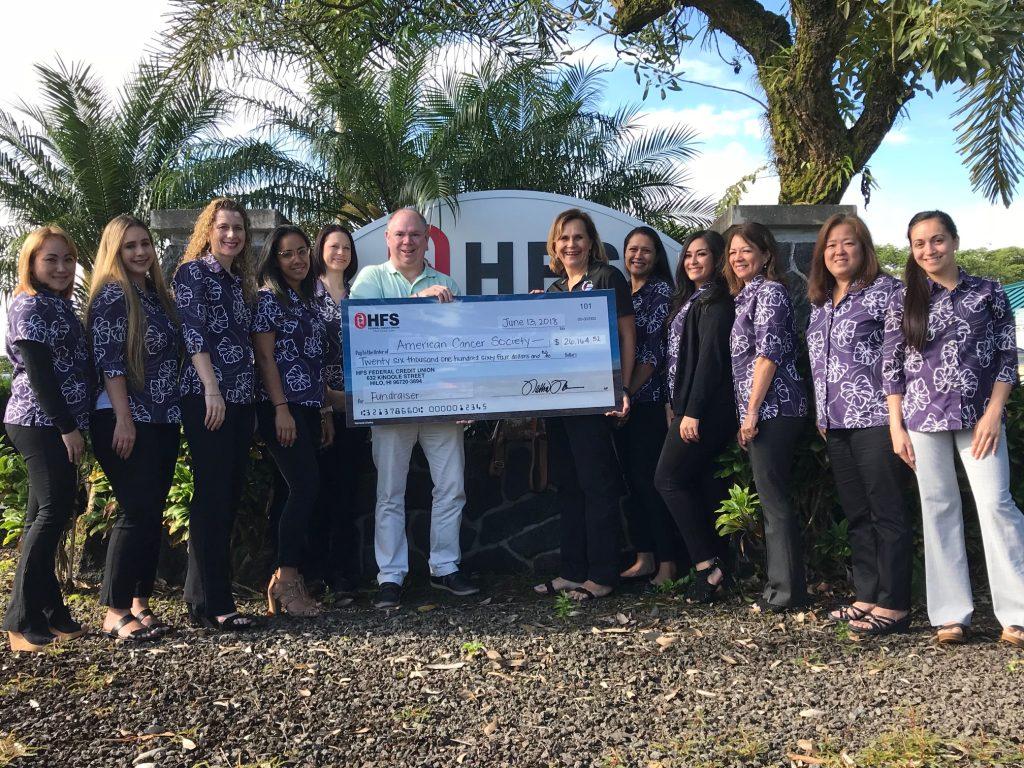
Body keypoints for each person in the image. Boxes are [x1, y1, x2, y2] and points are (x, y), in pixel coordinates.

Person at [882, 210, 1024, 648]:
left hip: (980, 418)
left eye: (937, 240)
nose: (929, 250)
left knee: (997, 505)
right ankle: (950, 615)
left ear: (955, 241)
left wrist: (993, 413)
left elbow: (1005, 356)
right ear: (911, 249)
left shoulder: (988, 291)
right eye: (920, 243)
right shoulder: (903, 298)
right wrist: (896, 427)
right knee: (938, 509)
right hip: (923, 419)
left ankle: (1016, 614)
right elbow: (891, 368)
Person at [348, 207, 479, 609]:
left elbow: (458, 346)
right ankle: (390, 577)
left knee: (452, 487)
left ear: (427, 239)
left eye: (415, 235)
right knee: (389, 492)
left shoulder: (446, 283)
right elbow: (365, 333)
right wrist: (415, 301)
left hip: (441, 404)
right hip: (391, 406)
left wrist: (468, 396)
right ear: (387, 239)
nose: (407, 242)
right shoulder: (370, 279)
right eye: (400, 235)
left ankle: (445, 568)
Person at [805, 214, 911, 636]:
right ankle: (867, 595)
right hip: (835, 423)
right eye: (830, 246)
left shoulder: (888, 292)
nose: (838, 252)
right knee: (857, 513)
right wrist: (821, 412)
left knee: (887, 511)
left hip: (877, 419)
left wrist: (897, 421)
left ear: (864, 248)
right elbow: (818, 364)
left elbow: (895, 359)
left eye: (847, 243)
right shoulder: (821, 301)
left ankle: (896, 603)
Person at [532, 208, 635, 602]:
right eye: (564, 238)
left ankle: (603, 575)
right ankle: (572, 571)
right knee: (569, 487)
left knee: (597, 487)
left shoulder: (608, 278)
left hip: (596, 402)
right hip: (560, 404)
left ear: (591, 242)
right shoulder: (555, 292)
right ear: (554, 246)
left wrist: (620, 387)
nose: (571, 244)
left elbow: (627, 335)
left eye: (578, 237)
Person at [88, 215, 181, 642]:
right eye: (130, 246)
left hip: (163, 417)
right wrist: (124, 418)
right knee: (135, 509)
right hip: (123, 416)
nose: (141, 252)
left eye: (145, 243)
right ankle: (114, 608)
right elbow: (110, 362)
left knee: (150, 511)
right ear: (115, 252)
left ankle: (140, 602)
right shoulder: (112, 296)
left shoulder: (157, 295)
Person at [3, 226, 92, 652]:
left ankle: (51, 611)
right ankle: (20, 619)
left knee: (45, 512)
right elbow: (39, 375)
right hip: (39, 422)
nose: (61, 267)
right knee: (53, 511)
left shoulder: (60, 305)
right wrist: (67, 428)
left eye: (67, 259)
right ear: (32, 264)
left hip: (56, 423)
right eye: (50, 260)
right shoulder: (30, 305)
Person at [173, 197, 258, 631]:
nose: (231, 235)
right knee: (212, 496)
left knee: (225, 496)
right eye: (223, 227)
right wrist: (211, 388)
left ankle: (199, 598)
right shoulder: (192, 273)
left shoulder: (239, 281)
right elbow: (193, 333)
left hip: (240, 398)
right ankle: (218, 603)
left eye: (238, 229)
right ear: (208, 230)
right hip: (208, 398)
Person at [253, 224, 344, 617]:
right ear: (274, 259)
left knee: (300, 489)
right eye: (288, 253)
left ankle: (284, 582)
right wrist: (280, 409)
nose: (298, 259)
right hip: (282, 408)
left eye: (303, 251)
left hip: (309, 407)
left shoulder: (306, 300)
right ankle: (287, 580)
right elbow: (266, 358)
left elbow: (313, 361)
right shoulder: (268, 299)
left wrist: (324, 410)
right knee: (304, 487)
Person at [724, 222, 810, 613]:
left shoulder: (771, 293)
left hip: (774, 409)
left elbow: (768, 356)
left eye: (746, 250)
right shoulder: (744, 298)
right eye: (732, 252)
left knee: (774, 502)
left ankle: (785, 593)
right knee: (771, 498)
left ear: (766, 256)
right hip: (763, 410)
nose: (738, 258)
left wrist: (751, 412)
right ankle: (781, 588)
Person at [654, 231, 737, 603]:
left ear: (717, 259)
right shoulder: (691, 300)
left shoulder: (717, 302)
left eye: (702, 255)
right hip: (686, 408)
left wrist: (692, 412)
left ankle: (707, 565)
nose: (692, 261)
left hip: (704, 411)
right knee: (702, 483)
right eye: (688, 255)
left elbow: (709, 363)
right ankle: (722, 566)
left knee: (667, 478)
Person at [615, 226, 680, 587]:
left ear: (657, 258)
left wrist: (625, 391)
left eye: (646, 251)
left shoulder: (661, 293)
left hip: (649, 402)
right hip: (623, 405)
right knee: (633, 484)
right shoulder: (622, 292)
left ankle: (668, 564)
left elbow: (652, 354)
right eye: (632, 249)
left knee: (650, 482)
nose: (637, 256)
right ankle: (644, 557)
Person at [307, 224, 367, 596]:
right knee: (317, 492)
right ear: (321, 250)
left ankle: (344, 576)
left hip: (357, 408)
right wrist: (326, 399)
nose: (340, 252)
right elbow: (302, 349)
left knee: (348, 492)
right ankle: (314, 573)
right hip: (319, 405)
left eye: (346, 246)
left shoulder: (359, 294)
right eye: (333, 246)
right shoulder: (307, 294)